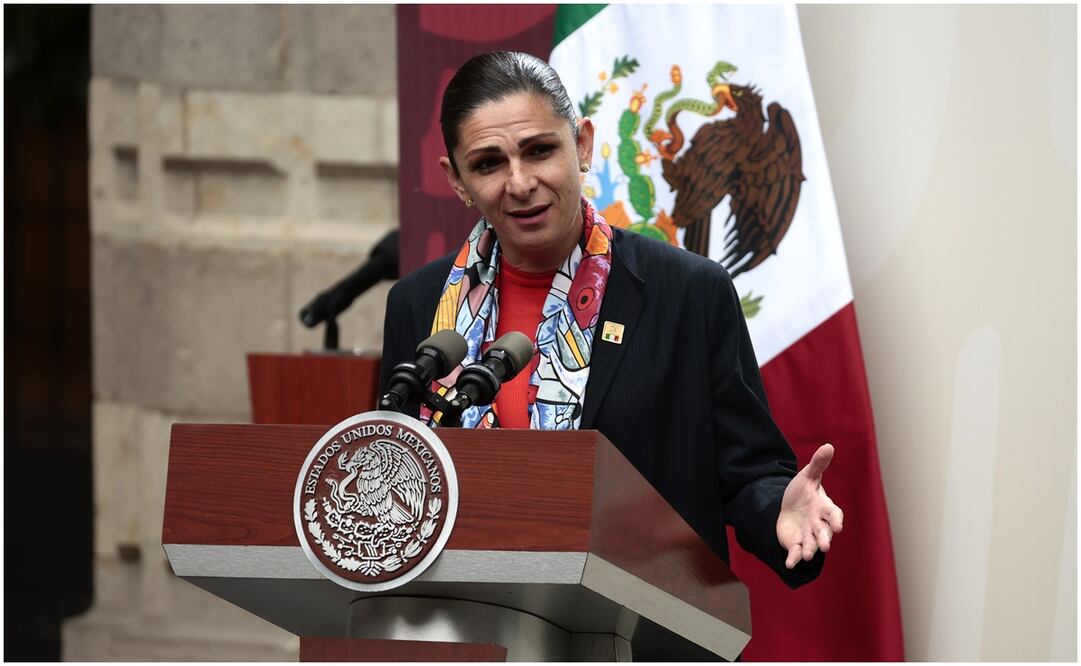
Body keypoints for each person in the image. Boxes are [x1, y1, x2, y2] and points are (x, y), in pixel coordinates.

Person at [381, 51, 842, 587]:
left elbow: (748, 471)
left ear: (583, 144)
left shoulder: (689, 292)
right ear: (457, 180)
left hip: (646, 613)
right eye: (488, 164)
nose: (520, 182)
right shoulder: (418, 304)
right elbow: (398, 471)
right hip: (469, 612)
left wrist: (778, 510)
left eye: (539, 150)